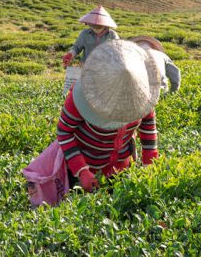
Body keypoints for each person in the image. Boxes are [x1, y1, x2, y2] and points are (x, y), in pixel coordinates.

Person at [56, 40, 161, 192]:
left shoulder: (143, 93)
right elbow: (64, 131)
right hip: (86, 167)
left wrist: (149, 163)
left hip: (121, 169)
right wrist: (81, 170)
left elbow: (148, 125)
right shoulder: (79, 96)